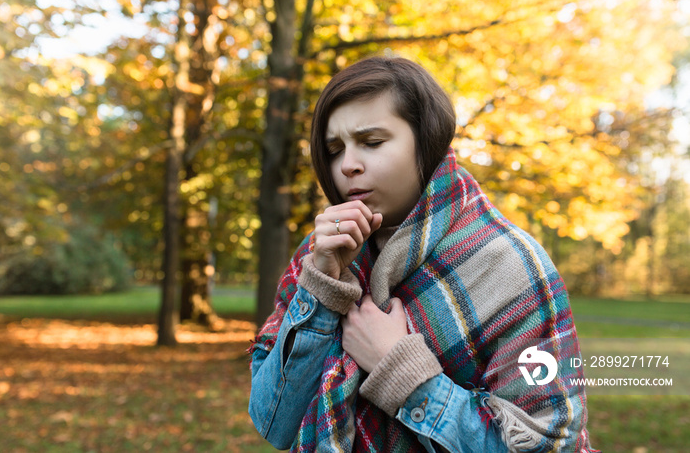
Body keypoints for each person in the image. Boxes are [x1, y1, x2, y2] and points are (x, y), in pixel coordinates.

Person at [248, 56, 597, 452]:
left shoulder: (512, 265)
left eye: (372, 142)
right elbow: (272, 420)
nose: (347, 165)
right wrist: (321, 290)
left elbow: (550, 447)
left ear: (426, 141)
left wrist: (400, 371)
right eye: (333, 148)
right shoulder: (320, 254)